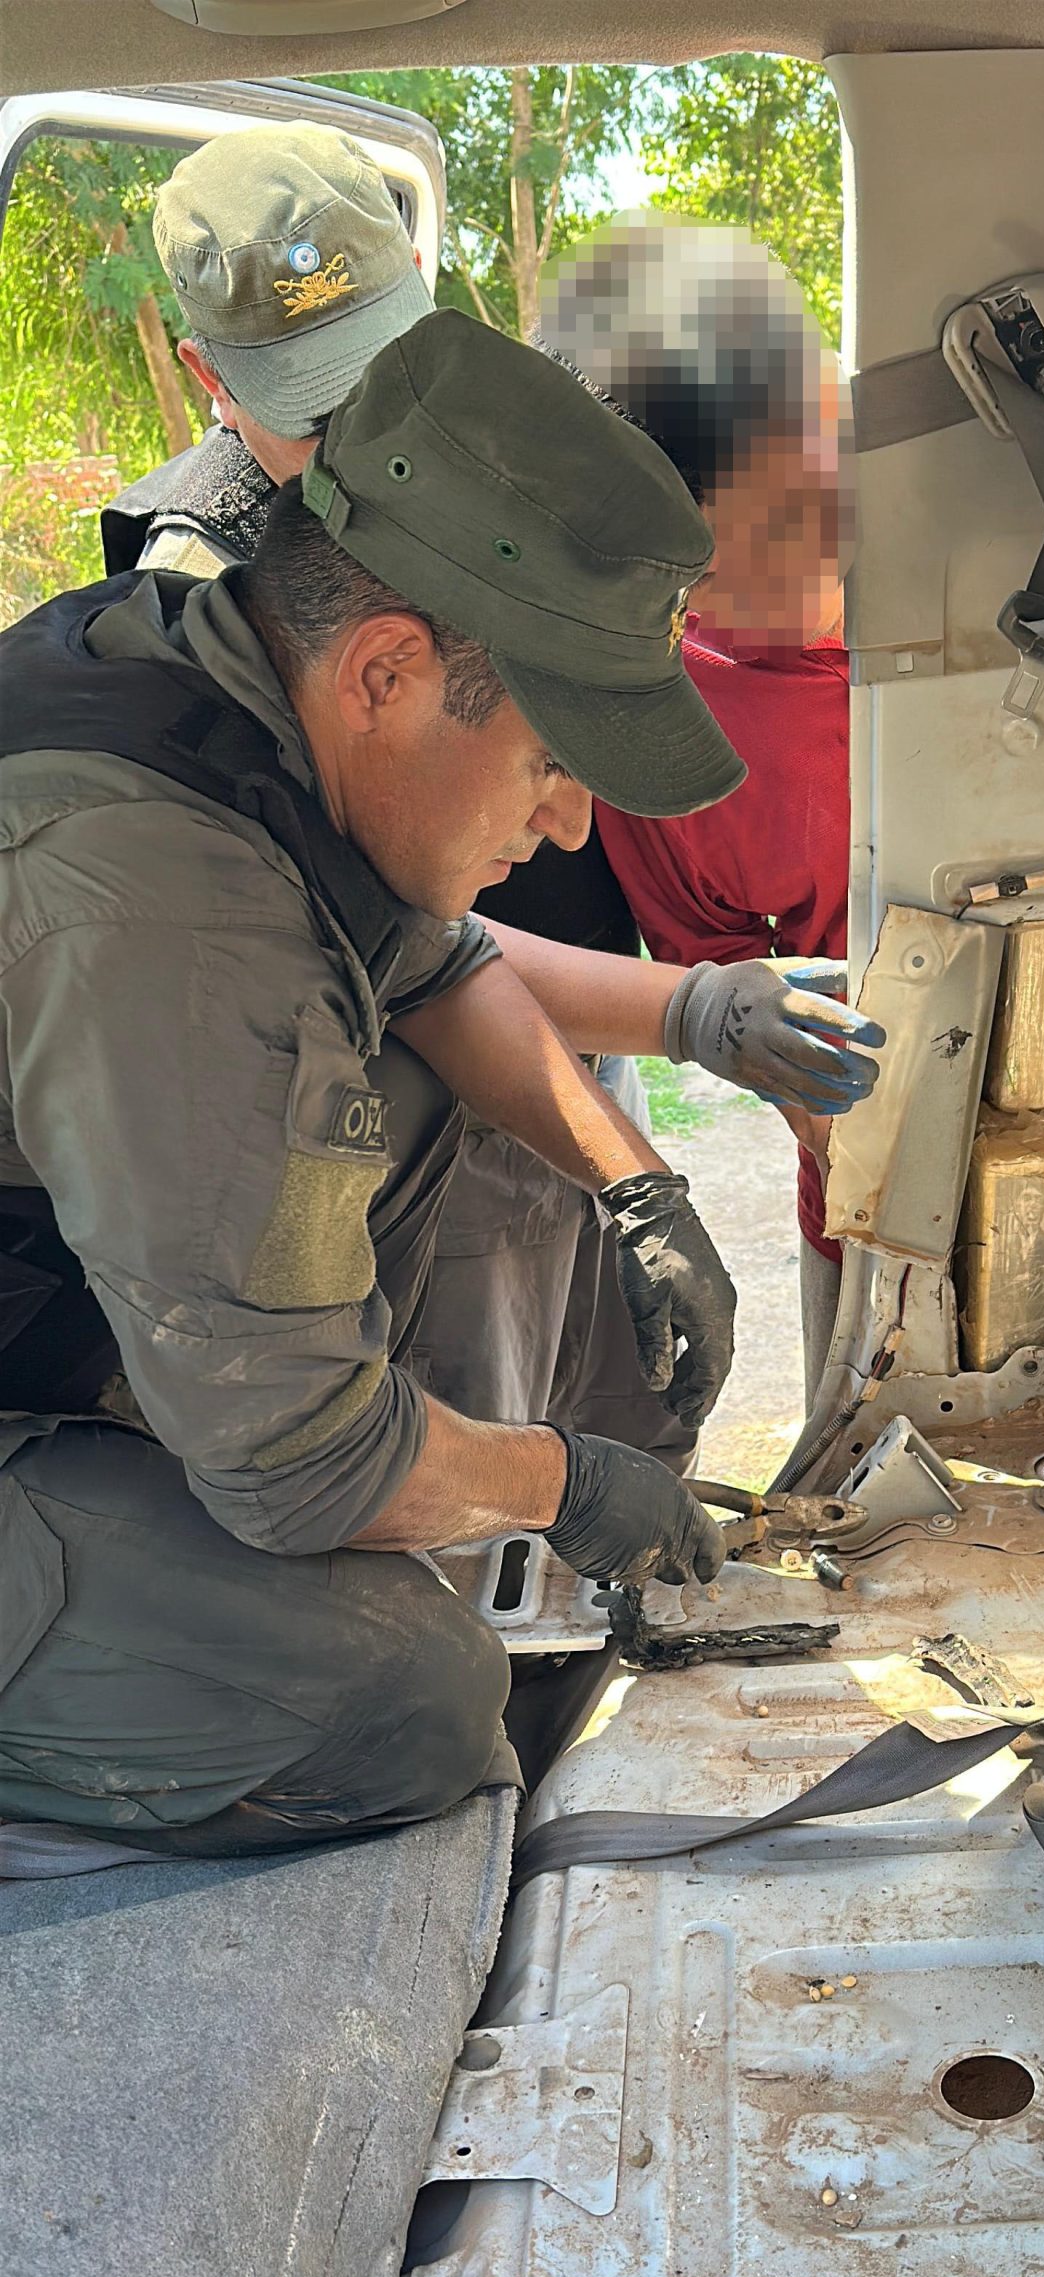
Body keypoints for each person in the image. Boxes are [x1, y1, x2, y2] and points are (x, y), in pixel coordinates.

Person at [0, 309, 752, 1860]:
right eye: (552, 760)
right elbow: (299, 1470)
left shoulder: (215, 678)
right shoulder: (171, 908)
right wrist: (559, 1483)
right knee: (405, 1699)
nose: (568, 826)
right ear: (389, 672)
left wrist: (638, 1190)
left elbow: (438, 968)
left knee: (424, 1085)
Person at [101, 122, 880, 1452]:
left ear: (424, 291)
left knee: (637, 1423)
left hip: (577, 1056)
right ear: (208, 376)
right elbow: (389, 942)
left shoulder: (502, 457)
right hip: (427, 1113)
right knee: (493, 1474)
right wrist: (688, 1010)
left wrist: (648, 1119)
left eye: (377, 368)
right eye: (307, 406)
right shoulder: (210, 593)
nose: (351, 437)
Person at [541, 218, 861, 1402]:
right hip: (863, 1220)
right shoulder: (669, 729)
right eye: (729, 562)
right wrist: (816, 1110)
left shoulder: (1003, 560)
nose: (800, 565)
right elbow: (726, 975)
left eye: (807, 499)